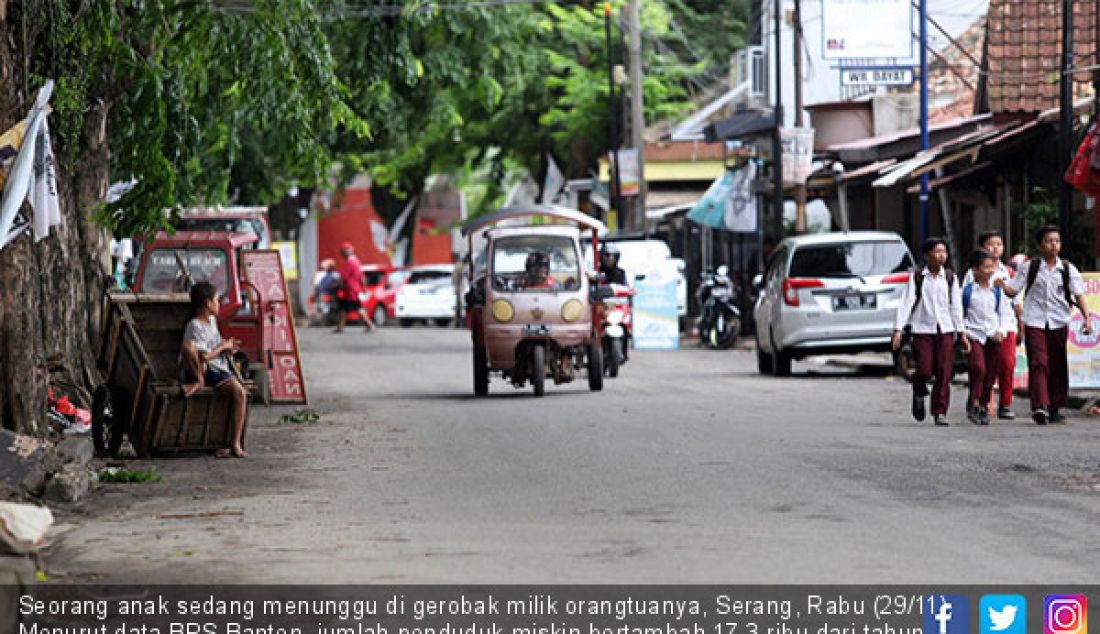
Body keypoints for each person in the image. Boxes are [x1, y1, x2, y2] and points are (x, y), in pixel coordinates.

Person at [997, 225, 1092, 425]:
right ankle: (1039, 405)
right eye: (1049, 241)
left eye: (1057, 241)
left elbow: (1079, 294)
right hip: (1034, 321)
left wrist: (1087, 318)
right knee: (1038, 362)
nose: (1053, 245)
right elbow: (1013, 291)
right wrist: (1003, 286)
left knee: (1057, 363)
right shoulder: (1030, 267)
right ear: (1040, 245)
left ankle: (1055, 406)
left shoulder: (1067, 269)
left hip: (1058, 321)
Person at [891, 237, 969, 426]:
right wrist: (898, 330)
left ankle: (940, 411)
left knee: (944, 372)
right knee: (924, 370)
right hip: (922, 329)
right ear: (927, 256)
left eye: (944, 252)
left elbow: (956, 307)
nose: (942, 256)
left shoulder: (950, 278)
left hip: (946, 330)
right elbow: (906, 303)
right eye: (937, 252)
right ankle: (919, 391)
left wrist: (962, 333)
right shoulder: (918, 277)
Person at [180, 282, 249, 458]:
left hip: (218, 367)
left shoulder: (212, 321)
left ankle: (234, 442)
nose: (219, 304)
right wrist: (222, 346)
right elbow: (203, 356)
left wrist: (228, 347)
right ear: (207, 303)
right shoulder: (194, 325)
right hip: (206, 369)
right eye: (217, 300)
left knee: (240, 393)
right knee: (239, 392)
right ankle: (234, 443)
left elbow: (215, 346)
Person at [962, 231, 1021, 419]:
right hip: (974, 333)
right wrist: (962, 333)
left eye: (999, 244)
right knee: (979, 368)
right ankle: (975, 401)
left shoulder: (1002, 281)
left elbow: (1006, 309)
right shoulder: (968, 285)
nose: (989, 271)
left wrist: (1003, 330)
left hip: (995, 333)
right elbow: (959, 309)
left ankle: (987, 403)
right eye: (991, 244)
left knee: (997, 369)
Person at [336, 242, 376, 333]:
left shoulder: (349, 262)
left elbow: (343, 277)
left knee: (356, 308)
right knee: (345, 308)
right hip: (354, 288)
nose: (341, 254)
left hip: (350, 289)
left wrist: (337, 285)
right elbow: (362, 276)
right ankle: (340, 327)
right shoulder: (357, 261)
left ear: (345, 252)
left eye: (342, 252)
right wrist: (364, 288)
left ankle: (370, 325)